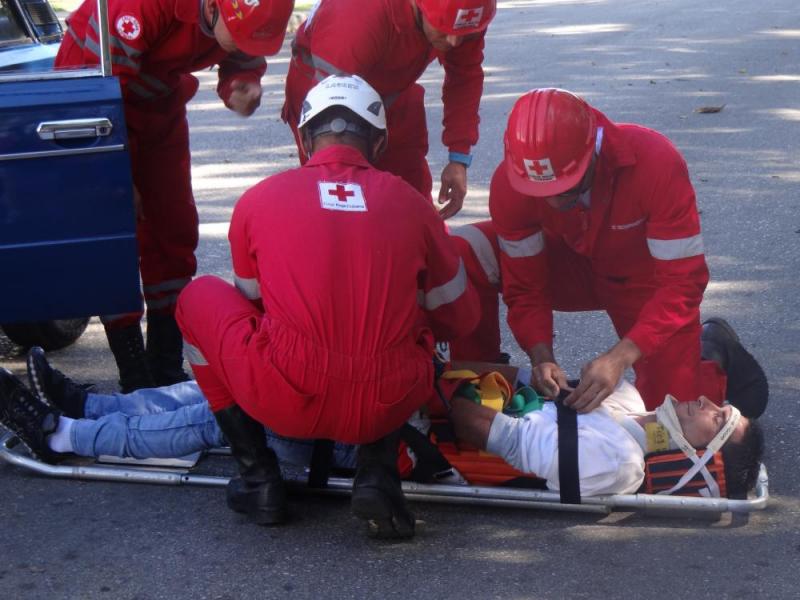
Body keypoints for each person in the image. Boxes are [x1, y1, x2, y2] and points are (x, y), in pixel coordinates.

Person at [175, 74, 479, 537]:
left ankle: (258, 477)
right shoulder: (414, 205)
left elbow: (252, 306)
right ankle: (376, 472)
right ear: (378, 143)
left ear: (304, 137)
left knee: (198, 298)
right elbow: (459, 316)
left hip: (286, 397)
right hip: (387, 399)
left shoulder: (258, 200)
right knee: (413, 323)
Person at [0, 336, 764, 501]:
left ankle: (65, 435)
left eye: (719, 417)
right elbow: (517, 395)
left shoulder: (619, 463)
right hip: (430, 411)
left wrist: (429, 378)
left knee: (236, 417)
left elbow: (483, 434)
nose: (708, 402)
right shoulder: (631, 410)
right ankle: (90, 406)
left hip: (415, 442)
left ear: (705, 456)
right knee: (235, 386)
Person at [451, 88, 769, 416]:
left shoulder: (654, 163)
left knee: (672, 422)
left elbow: (682, 284)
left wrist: (619, 358)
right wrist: (541, 356)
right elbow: (526, 286)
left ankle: (710, 351)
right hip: (570, 266)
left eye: (565, 188)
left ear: (593, 151)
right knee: (465, 251)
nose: (554, 202)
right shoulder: (512, 185)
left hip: (646, 284)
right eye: (541, 191)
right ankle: (480, 390)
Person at [54, 0, 295, 393]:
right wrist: (116, 172)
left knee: (174, 223)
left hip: (155, 100)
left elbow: (243, 53)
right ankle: (133, 372)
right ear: (216, 9)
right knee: (116, 231)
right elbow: (101, 92)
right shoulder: (145, 7)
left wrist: (241, 80)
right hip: (94, 101)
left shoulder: (242, 16)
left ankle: (164, 363)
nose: (244, 46)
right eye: (242, 37)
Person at [282, 0, 496, 218]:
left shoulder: (465, 14)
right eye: (444, 30)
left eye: (466, 35)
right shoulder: (357, 15)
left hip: (391, 88)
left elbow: (464, 77)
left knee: (410, 198)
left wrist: (459, 158)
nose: (454, 41)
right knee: (345, 196)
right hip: (327, 90)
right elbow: (329, 120)